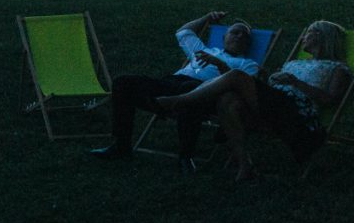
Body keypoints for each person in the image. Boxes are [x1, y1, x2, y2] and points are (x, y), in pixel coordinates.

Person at [155, 20, 350, 181]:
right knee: (228, 100)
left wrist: (295, 82)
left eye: (309, 32)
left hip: (297, 110)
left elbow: (330, 99)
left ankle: (179, 101)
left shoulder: (338, 68)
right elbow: (276, 87)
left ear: (321, 37)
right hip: (276, 103)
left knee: (236, 75)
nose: (304, 36)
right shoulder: (295, 62)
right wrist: (268, 78)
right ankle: (244, 165)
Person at [89, 11, 258, 174]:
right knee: (122, 82)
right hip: (170, 83)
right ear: (224, 37)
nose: (239, 36)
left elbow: (242, 89)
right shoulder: (205, 50)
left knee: (189, 90)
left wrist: (221, 66)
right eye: (235, 32)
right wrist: (207, 18)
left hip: (203, 93)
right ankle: (121, 145)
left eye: (245, 36)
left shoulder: (247, 64)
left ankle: (185, 156)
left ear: (249, 44)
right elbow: (183, 32)